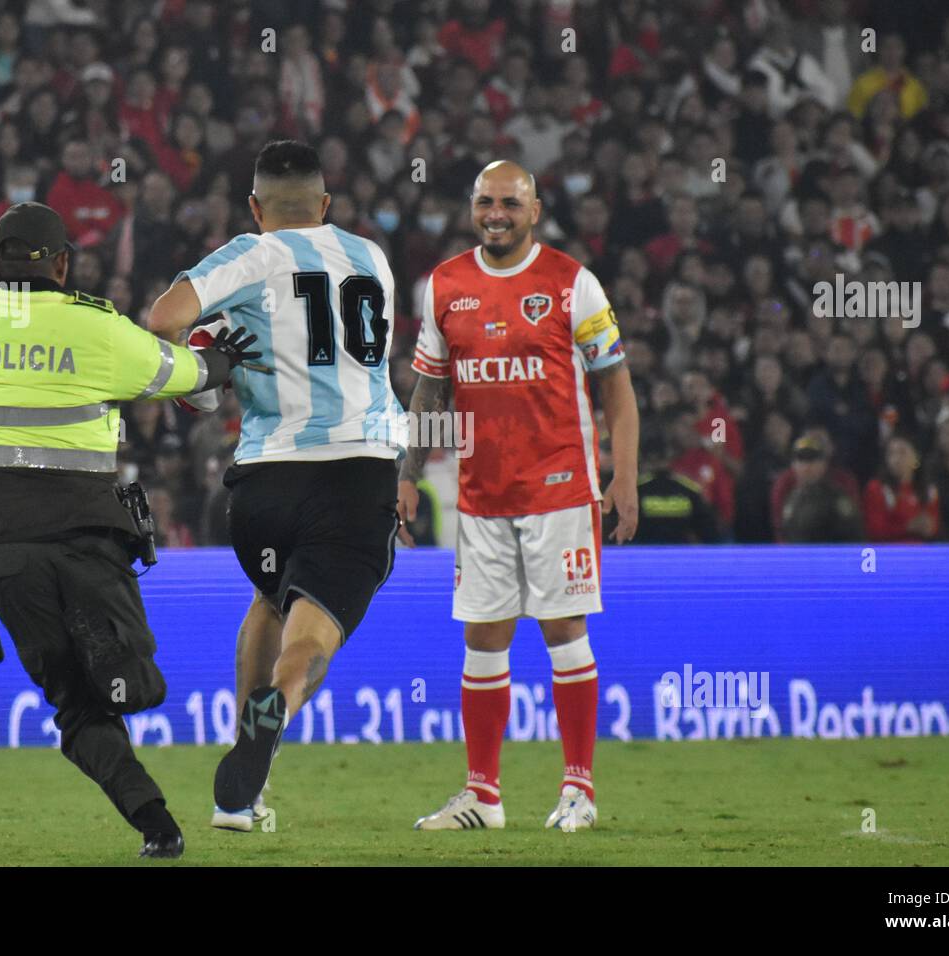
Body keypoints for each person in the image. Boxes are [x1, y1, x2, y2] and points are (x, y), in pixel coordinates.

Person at [0, 201, 260, 859]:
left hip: (4, 554)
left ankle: (156, 824)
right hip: (86, 539)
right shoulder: (100, 329)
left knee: (75, 709)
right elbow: (190, 376)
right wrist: (223, 358)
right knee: (130, 677)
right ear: (63, 262)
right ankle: (117, 662)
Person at [147, 140, 408, 832]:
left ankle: (242, 787)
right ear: (325, 206)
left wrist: (200, 378)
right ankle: (278, 709)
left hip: (264, 483)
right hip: (358, 470)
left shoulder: (252, 254)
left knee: (268, 601)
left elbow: (163, 320)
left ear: (256, 208)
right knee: (311, 636)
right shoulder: (371, 260)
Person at [400, 160, 639, 832]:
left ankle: (579, 790)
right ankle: (484, 796)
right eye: (485, 202)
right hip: (482, 494)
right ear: (471, 207)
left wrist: (624, 474)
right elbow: (430, 388)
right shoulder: (444, 284)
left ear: (535, 211)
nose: (496, 213)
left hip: (561, 488)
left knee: (564, 628)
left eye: (510, 202)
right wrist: (406, 473)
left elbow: (616, 386)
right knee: (483, 637)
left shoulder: (572, 283)